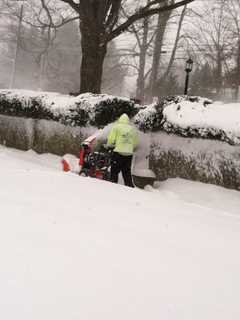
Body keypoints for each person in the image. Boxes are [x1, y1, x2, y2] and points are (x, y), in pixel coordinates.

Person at [107, 113, 139, 187]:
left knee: (114, 171)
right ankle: (129, 187)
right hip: (129, 154)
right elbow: (136, 143)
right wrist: (130, 147)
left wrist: (110, 145)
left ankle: (113, 185)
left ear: (120, 120)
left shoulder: (116, 127)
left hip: (118, 152)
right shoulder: (133, 129)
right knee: (126, 172)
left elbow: (111, 140)